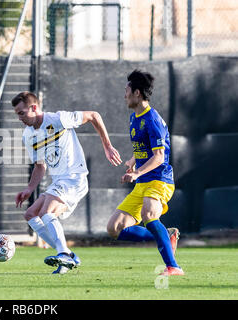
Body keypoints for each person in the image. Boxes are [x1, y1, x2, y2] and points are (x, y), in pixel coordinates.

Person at [12, 91, 122, 274]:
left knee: (47, 212)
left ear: (33, 108)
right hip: (59, 181)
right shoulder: (28, 135)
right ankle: (68, 256)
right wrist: (30, 188)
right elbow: (40, 166)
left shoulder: (58, 119)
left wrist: (107, 145)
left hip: (74, 177)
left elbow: (94, 115)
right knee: (31, 214)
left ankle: (63, 253)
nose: (19, 118)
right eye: (17, 114)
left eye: (21, 113)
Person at [106, 69, 184, 276]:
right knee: (114, 229)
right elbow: (144, 149)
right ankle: (166, 236)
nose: (124, 95)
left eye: (127, 90)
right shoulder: (134, 118)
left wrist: (137, 173)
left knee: (149, 214)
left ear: (137, 93)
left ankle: (173, 267)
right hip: (143, 182)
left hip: (160, 180)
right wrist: (133, 161)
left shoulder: (152, 119)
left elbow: (159, 156)